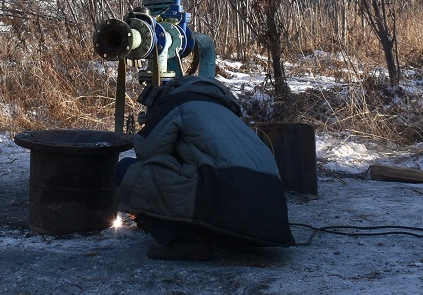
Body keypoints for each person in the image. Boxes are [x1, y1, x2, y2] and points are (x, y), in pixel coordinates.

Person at [117, 74, 293, 261]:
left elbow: (147, 150)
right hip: (271, 221)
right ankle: (225, 237)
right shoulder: (227, 113)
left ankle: (182, 242)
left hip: (228, 197)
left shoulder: (174, 101)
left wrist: (151, 123)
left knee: (127, 169)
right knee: (201, 178)